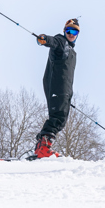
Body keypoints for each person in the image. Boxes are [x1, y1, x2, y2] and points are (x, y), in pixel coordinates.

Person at [34, 19, 80, 158]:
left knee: (61, 118)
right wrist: (43, 39)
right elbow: (52, 41)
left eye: (75, 31)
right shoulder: (61, 42)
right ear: (64, 31)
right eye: (69, 31)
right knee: (58, 117)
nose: (71, 34)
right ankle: (44, 148)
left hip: (64, 88)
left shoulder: (72, 50)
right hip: (57, 85)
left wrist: (67, 95)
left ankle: (41, 146)